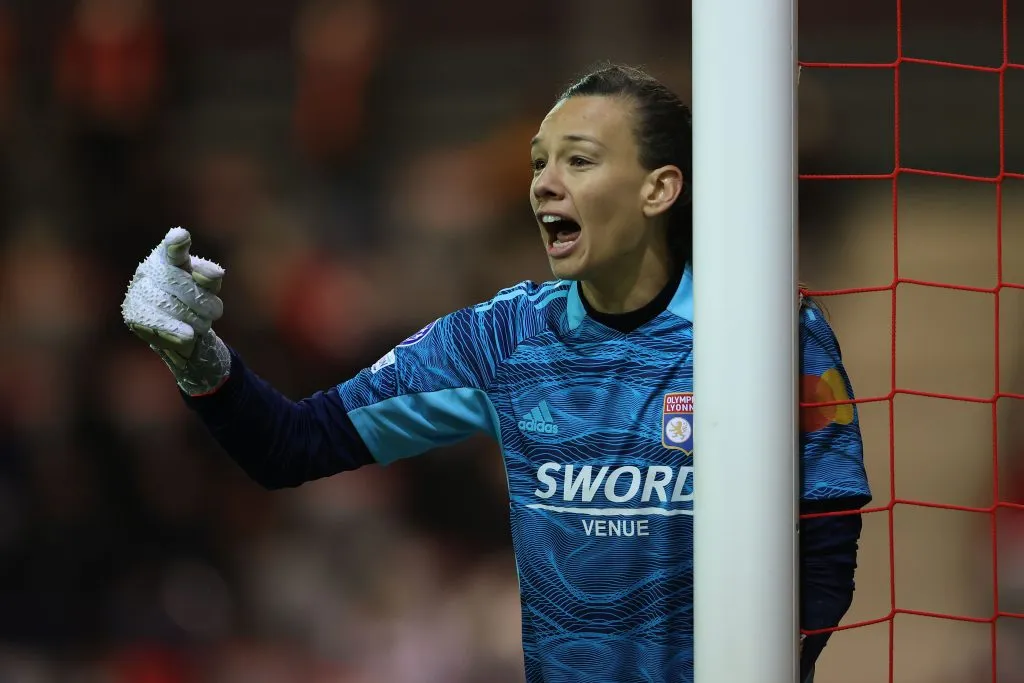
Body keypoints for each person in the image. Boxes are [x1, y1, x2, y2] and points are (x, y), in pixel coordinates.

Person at [120, 63, 870, 683]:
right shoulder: (501, 338)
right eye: (539, 161)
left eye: (579, 159)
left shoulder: (770, 332)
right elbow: (292, 445)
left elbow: (829, 534)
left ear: (658, 189)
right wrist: (197, 356)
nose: (544, 182)